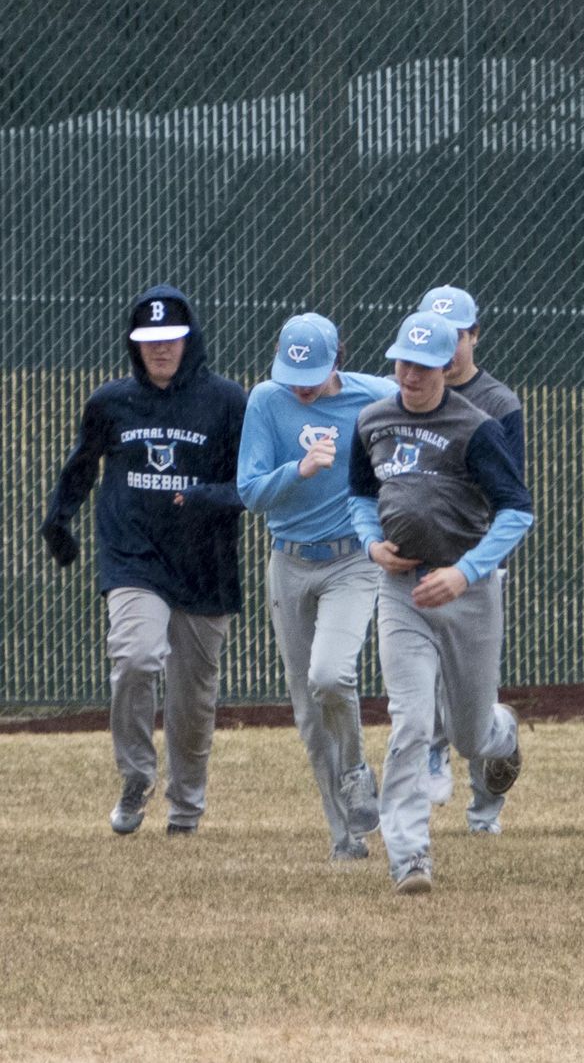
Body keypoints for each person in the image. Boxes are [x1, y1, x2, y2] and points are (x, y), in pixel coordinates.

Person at [40, 286, 246, 837]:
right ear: (135, 345)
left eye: (170, 338)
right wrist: (58, 518)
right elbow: (83, 464)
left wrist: (207, 497)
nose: (160, 349)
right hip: (133, 556)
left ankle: (185, 809)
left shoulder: (227, 402)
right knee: (135, 658)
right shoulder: (111, 402)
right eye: (148, 339)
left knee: (192, 699)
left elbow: (250, 483)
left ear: (189, 339)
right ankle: (135, 777)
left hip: (204, 565)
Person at [346, 311, 531, 894]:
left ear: (446, 366)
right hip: (402, 592)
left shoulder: (476, 428)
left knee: (470, 735)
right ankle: (409, 855)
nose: (410, 374)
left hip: (467, 594)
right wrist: (371, 544)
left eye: (423, 365)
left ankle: (502, 732)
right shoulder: (372, 421)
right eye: (402, 361)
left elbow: (516, 511)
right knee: (411, 722)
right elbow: (358, 495)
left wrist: (466, 572)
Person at [235, 313, 396, 859]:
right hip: (289, 562)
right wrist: (298, 470)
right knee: (307, 712)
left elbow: (431, 406)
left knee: (330, 674)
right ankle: (345, 838)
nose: (301, 385)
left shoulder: (375, 396)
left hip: (352, 562)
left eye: (314, 373)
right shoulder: (266, 401)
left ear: (338, 361)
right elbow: (251, 491)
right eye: (292, 372)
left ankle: (354, 769)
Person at [415, 284, 525, 808]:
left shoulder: (498, 404)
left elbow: (509, 491)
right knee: (423, 672)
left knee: (475, 695)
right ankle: (432, 751)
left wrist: (481, 560)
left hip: (474, 561)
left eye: (456, 334)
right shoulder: (407, 394)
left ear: (475, 335)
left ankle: (485, 806)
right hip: (417, 557)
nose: (445, 345)